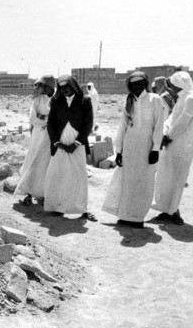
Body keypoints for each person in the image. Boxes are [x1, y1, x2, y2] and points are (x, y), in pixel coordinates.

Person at [102, 72, 165, 228]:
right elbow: (123, 126)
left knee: (144, 181)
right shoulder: (128, 101)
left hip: (147, 148)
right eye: (133, 85)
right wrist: (118, 151)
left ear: (145, 84)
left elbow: (159, 126)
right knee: (128, 181)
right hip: (130, 147)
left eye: (140, 84)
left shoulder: (155, 99)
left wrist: (155, 149)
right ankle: (125, 215)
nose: (137, 87)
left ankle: (137, 218)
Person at [44, 75, 96, 221]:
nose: (64, 90)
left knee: (79, 175)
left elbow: (88, 124)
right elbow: (51, 123)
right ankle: (58, 207)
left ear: (73, 86)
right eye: (61, 88)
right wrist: (56, 142)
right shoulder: (56, 101)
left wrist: (76, 143)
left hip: (77, 145)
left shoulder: (85, 100)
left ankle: (82, 209)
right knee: (58, 174)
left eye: (67, 87)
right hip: (60, 144)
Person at [152, 71, 193, 225]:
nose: (170, 88)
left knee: (177, 179)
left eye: (172, 85)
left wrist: (169, 136)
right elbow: (172, 118)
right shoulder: (183, 98)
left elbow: (182, 122)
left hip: (181, 144)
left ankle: (174, 211)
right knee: (166, 177)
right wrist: (164, 132)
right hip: (172, 142)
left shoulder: (191, 98)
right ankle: (166, 209)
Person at [15, 75, 55, 206]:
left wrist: (43, 117)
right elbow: (33, 119)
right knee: (33, 161)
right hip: (38, 135)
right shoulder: (37, 100)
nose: (40, 89)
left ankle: (42, 193)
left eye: (42, 86)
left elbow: (57, 118)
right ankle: (28, 193)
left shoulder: (56, 100)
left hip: (50, 136)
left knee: (46, 164)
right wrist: (47, 119)